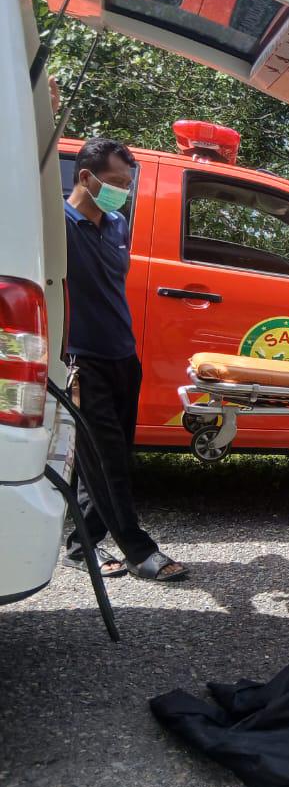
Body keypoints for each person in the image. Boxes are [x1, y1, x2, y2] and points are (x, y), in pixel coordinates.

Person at [62, 138, 188, 581]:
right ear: (85, 177)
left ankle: (80, 546)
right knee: (107, 460)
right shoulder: (57, 225)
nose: (123, 191)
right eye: (116, 182)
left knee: (104, 459)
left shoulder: (117, 224)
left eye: (127, 184)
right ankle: (139, 551)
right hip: (83, 361)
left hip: (122, 356)